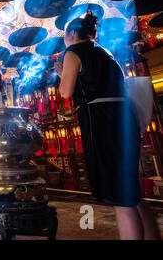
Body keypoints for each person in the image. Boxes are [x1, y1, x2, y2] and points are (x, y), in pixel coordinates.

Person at [55, 12, 161, 240]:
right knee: (131, 191)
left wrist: (63, 74)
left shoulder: (72, 52)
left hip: (103, 123)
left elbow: (66, 92)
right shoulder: (105, 52)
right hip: (124, 118)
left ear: (72, 33)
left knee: (121, 198)